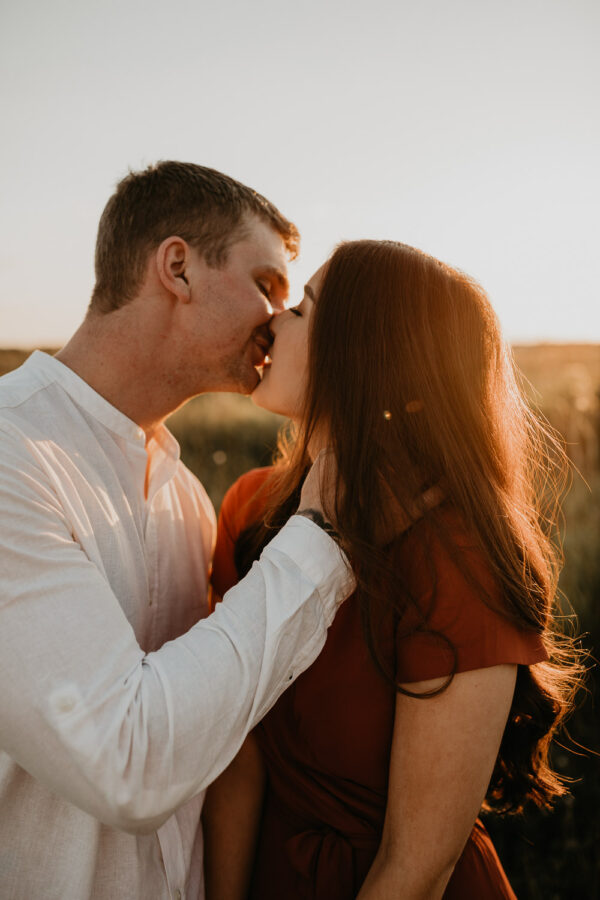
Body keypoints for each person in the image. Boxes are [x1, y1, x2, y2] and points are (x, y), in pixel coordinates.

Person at [0, 162, 356, 899]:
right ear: (178, 267)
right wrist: (317, 537)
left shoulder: (187, 498)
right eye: (266, 285)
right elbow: (123, 763)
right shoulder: (11, 454)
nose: (276, 320)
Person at [204, 240, 582, 899]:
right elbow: (238, 756)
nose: (272, 319)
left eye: (302, 309)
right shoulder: (250, 509)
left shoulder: (452, 556)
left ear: (360, 352)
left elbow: (417, 867)